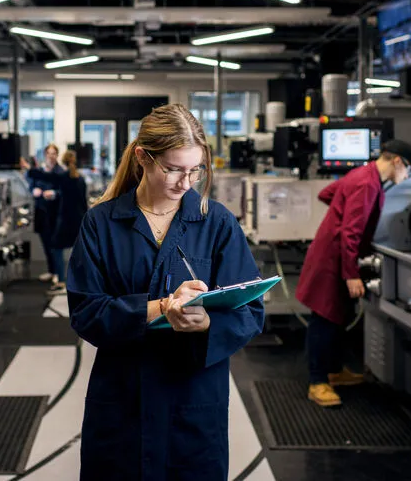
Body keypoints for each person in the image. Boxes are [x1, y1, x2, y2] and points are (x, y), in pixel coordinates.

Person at [67, 104, 264, 480]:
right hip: (123, 395)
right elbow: (85, 311)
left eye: (195, 170)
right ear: (143, 157)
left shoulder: (216, 222)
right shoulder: (101, 223)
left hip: (192, 399)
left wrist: (206, 322)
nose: (185, 183)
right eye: (173, 169)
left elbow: (250, 311)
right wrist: (160, 307)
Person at [296, 139, 411, 408]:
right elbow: (350, 233)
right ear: (397, 161)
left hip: (335, 254)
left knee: (338, 316)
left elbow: (327, 193)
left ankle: (334, 370)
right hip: (333, 258)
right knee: (324, 318)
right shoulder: (367, 183)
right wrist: (351, 275)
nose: (406, 175)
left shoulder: (362, 174)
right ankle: (317, 382)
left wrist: (341, 210)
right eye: (407, 168)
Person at [20, 150, 89, 295]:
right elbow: (84, 201)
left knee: (56, 248)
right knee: (80, 252)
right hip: (79, 219)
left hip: (65, 219)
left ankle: (61, 282)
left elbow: (45, 176)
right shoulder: (80, 179)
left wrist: (28, 168)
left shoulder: (64, 177)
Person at [28, 144, 67, 285]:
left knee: (54, 245)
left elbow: (66, 191)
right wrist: (34, 190)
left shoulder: (61, 172)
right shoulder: (39, 171)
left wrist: (54, 193)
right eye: (49, 153)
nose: (51, 156)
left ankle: (58, 273)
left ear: (57, 155)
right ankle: (51, 271)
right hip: (41, 212)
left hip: (55, 213)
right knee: (45, 243)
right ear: (45, 155)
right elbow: (32, 185)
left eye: (53, 153)